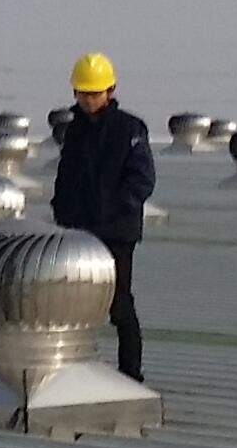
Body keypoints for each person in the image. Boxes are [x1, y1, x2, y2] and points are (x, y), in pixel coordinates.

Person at [47, 50, 157, 380]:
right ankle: (74, 369)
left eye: (95, 93)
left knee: (119, 304)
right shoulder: (74, 132)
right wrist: (62, 210)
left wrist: (114, 210)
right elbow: (67, 177)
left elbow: (142, 179)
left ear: (110, 91)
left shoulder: (129, 129)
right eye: (83, 93)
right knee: (73, 303)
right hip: (78, 231)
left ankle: (130, 374)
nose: (88, 100)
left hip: (117, 233)